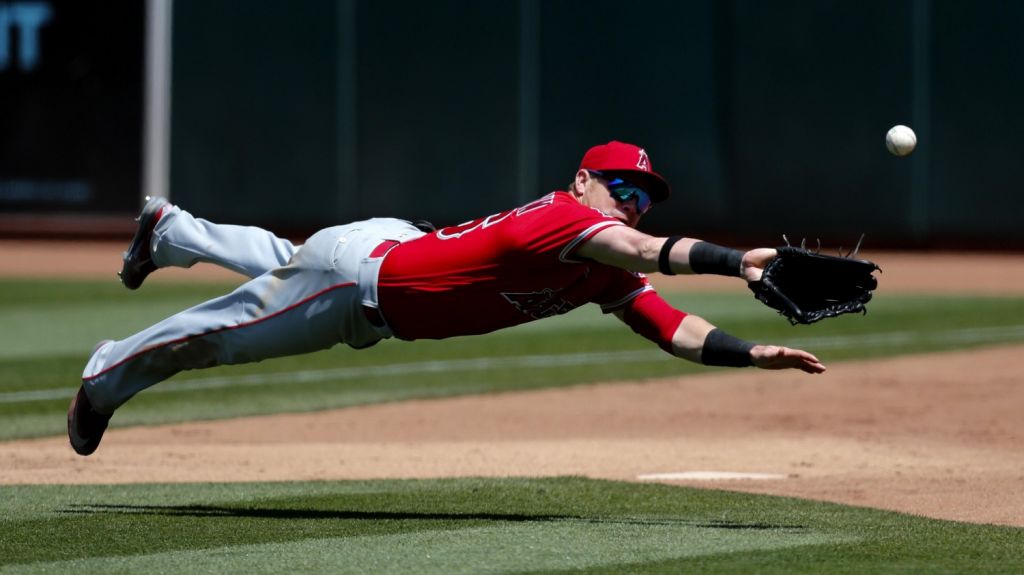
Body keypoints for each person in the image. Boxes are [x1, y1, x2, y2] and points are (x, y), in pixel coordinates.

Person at [68, 140, 825, 456]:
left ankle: (169, 231)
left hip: (382, 249)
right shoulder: (570, 218)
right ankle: (105, 375)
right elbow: (645, 252)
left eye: (644, 197)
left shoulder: (600, 262)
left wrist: (751, 352)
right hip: (352, 285)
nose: (632, 203)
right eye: (621, 187)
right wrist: (737, 262)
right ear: (584, 183)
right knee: (225, 333)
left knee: (280, 266)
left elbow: (670, 326)